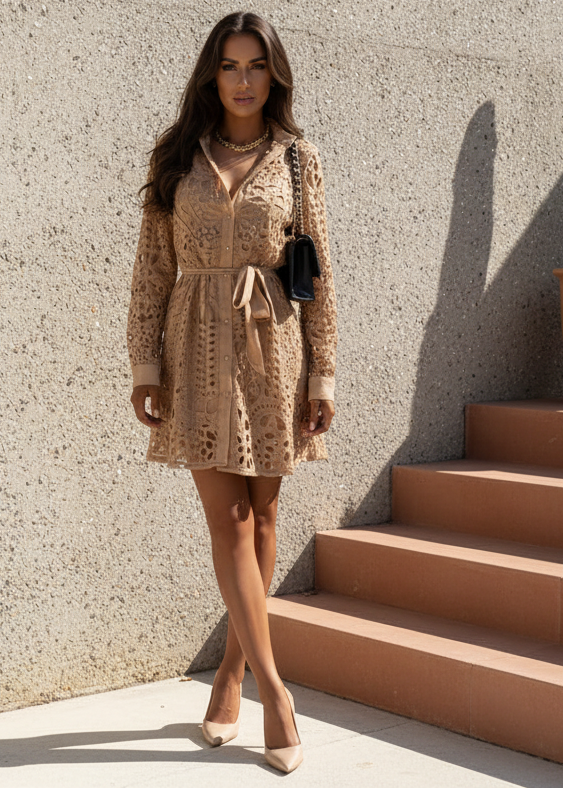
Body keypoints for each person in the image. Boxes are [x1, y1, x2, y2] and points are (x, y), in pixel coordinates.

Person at [126, 11, 337, 774]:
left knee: (267, 512)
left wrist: (322, 372)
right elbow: (152, 269)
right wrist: (144, 366)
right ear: (210, 75)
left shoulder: (295, 159)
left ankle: (229, 669)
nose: (242, 81)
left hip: (271, 348)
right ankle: (276, 692)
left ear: (272, 75)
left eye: (255, 66)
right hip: (193, 350)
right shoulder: (175, 154)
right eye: (229, 66)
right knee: (234, 519)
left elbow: (314, 274)